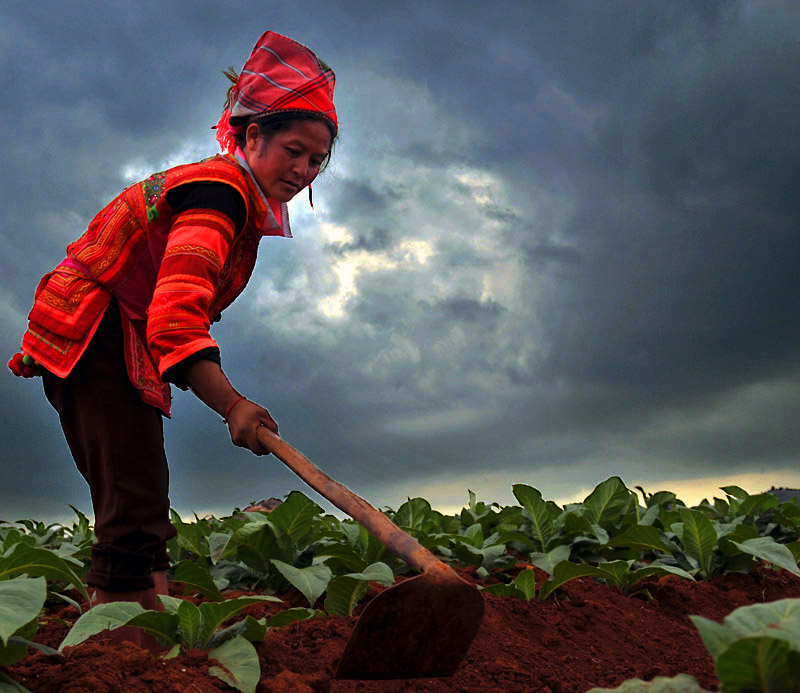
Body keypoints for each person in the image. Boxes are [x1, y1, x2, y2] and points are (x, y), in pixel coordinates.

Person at [8, 30, 337, 651]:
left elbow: (169, 319)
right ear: (250, 137)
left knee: (139, 489)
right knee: (132, 492)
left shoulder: (234, 198)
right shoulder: (219, 195)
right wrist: (233, 404)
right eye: (293, 150)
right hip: (93, 331)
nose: (302, 170)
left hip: (115, 334)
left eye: (316, 161)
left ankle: (148, 630)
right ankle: (120, 647)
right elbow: (175, 320)